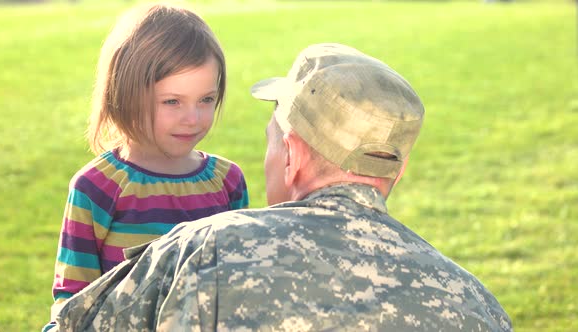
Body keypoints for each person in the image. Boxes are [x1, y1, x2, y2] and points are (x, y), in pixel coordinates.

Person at [50, 43, 512, 331]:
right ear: (400, 166)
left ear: (291, 156)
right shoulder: (478, 305)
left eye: (273, 138)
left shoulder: (203, 250)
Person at [44, 2, 249, 330]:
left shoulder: (228, 182)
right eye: (172, 101)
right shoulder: (97, 188)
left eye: (206, 100)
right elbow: (73, 301)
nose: (192, 119)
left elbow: (238, 286)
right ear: (126, 94)